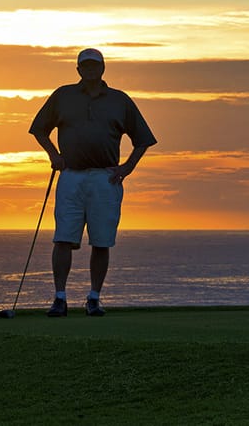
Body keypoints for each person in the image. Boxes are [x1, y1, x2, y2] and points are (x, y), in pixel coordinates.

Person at [29, 48, 157, 317]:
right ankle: (60, 298)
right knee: (63, 238)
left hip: (105, 178)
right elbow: (39, 129)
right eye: (85, 66)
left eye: (94, 65)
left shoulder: (119, 100)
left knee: (101, 241)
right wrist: (54, 155)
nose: (90, 70)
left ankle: (94, 298)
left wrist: (127, 168)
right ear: (78, 70)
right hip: (71, 175)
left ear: (103, 68)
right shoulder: (63, 96)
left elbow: (143, 139)